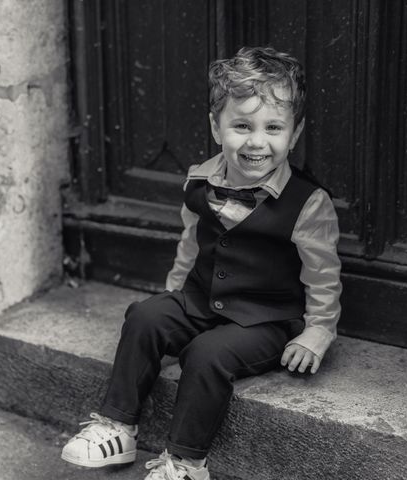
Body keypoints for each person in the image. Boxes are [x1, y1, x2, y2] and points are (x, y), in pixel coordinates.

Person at [61, 45, 342, 480]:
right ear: (216, 126)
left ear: (295, 131)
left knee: (207, 354)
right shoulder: (199, 181)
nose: (257, 141)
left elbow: (323, 274)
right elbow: (191, 244)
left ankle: (185, 462)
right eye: (242, 125)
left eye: (273, 127)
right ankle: (117, 427)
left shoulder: (308, 202)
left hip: (265, 320)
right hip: (201, 299)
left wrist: (318, 331)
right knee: (144, 316)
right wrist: (175, 298)